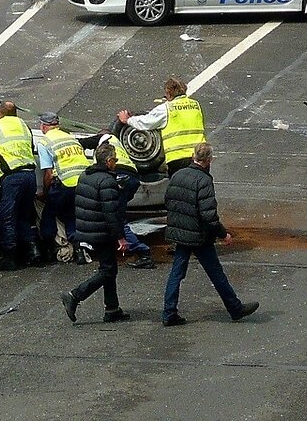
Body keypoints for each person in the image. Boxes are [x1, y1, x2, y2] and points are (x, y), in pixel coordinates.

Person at [161, 142, 259, 326]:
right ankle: (235, 308)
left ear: (193, 157)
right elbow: (208, 216)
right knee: (216, 273)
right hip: (199, 236)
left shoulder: (178, 175)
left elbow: (168, 200)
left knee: (177, 273)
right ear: (209, 160)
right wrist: (223, 234)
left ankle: (169, 312)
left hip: (180, 233)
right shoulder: (204, 181)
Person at [59, 143, 131, 324]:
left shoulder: (86, 175)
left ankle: (112, 308)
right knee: (108, 271)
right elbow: (111, 213)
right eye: (115, 160)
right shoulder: (107, 181)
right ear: (108, 161)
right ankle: (75, 295)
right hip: (102, 232)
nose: (116, 163)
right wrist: (120, 237)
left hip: (86, 230)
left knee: (108, 268)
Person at [0, 101, 40, 271]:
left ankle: (10, 257)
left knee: (6, 217)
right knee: (24, 215)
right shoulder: (24, 127)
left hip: (12, 178)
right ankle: (33, 251)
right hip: (30, 176)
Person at [122, 76, 206, 176]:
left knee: (182, 188)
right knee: (201, 184)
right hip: (200, 155)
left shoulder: (166, 108)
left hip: (179, 158)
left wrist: (127, 120)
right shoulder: (195, 105)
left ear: (169, 93)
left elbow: (146, 122)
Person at [36, 112, 87, 264]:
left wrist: (44, 193)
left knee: (48, 215)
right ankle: (79, 251)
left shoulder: (45, 142)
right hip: (82, 182)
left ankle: (48, 250)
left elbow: (49, 173)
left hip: (64, 183)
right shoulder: (70, 137)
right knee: (71, 215)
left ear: (44, 126)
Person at [102, 126, 155, 269]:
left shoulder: (103, 139)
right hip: (132, 178)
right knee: (119, 214)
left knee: (119, 219)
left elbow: (83, 142)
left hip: (121, 177)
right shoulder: (117, 141)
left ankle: (143, 252)